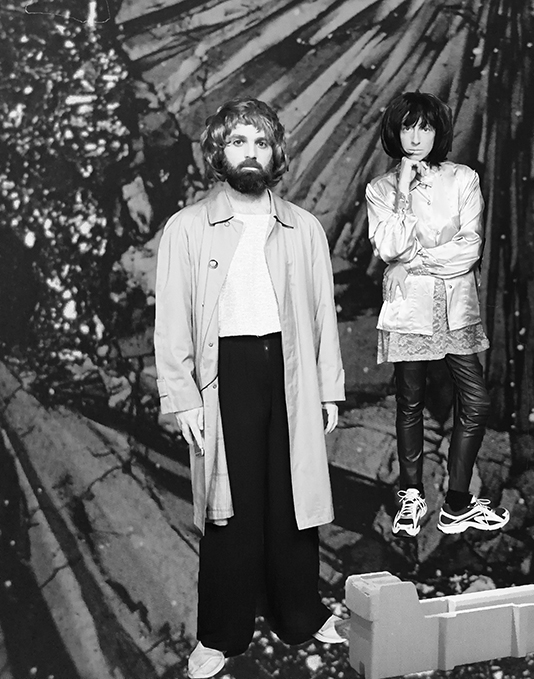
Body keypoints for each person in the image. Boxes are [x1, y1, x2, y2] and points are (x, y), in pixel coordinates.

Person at [154, 98, 347, 679]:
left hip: (291, 370)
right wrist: (183, 397)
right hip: (224, 375)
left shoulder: (304, 227)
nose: (250, 153)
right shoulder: (187, 227)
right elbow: (172, 320)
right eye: (238, 141)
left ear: (275, 153)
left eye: (261, 143)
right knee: (228, 509)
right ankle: (220, 634)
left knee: (293, 501)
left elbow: (323, 314)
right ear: (220, 151)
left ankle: (301, 615)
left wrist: (328, 390)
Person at [365, 91, 509, 538]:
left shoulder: (462, 179)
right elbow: (389, 246)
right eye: (407, 127)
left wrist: (411, 264)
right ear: (395, 132)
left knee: (476, 401)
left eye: (424, 127)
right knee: (410, 402)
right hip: (410, 310)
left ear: (437, 132)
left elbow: (469, 248)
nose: (415, 137)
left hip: (454, 307)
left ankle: (457, 503)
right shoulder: (380, 189)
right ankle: (412, 495)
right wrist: (403, 195)